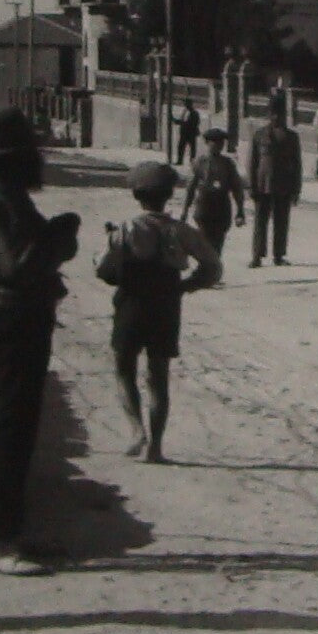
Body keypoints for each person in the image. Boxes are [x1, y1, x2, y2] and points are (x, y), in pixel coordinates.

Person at [0, 105, 81, 576]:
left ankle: (8, 529)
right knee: (10, 429)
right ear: (14, 156)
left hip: (14, 318)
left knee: (17, 425)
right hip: (11, 321)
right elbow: (20, 265)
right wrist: (61, 236)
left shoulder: (0, 193)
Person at [98, 162, 221, 462]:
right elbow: (213, 267)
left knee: (124, 368)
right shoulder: (181, 231)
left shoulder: (126, 229)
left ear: (136, 195)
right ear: (168, 195)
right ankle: (156, 448)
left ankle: (136, 430)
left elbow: (102, 268)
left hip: (131, 302)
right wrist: (187, 286)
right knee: (159, 376)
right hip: (166, 303)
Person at [248, 97, 303, 267]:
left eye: (280, 114)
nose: (276, 117)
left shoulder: (292, 137)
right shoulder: (259, 135)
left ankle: (279, 255)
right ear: (268, 115)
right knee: (260, 221)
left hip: (284, 185)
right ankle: (257, 256)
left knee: (281, 221)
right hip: (262, 185)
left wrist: (296, 189)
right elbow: (253, 162)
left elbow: (297, 165)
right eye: (273, 114)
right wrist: (252, 186)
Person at [181, 127, 246, 256]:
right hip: (204, 206)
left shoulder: (228, 163)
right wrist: (185, 210)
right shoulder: (199, 162)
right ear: (207, 143)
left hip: (222, 206)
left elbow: (237, 188)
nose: (219, 146)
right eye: (215, 142)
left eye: (221, 143)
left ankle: (213, 264)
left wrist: (240, 211)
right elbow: (191, 188)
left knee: (218, 243)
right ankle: (207, 264)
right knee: (205, 242)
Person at [175, 98, 201, 167]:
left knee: (192, 148)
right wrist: (179, 122)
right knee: (181, 147)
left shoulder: (194, 113)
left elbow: (192, 123)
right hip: (184, 133)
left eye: (187, 104)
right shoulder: (185, 111)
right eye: (185, 104)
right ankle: (180, 160)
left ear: (190, 104)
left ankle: (192, 162)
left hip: (191, 133)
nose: (186, 105)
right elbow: (183, 120)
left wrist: (181, 122)